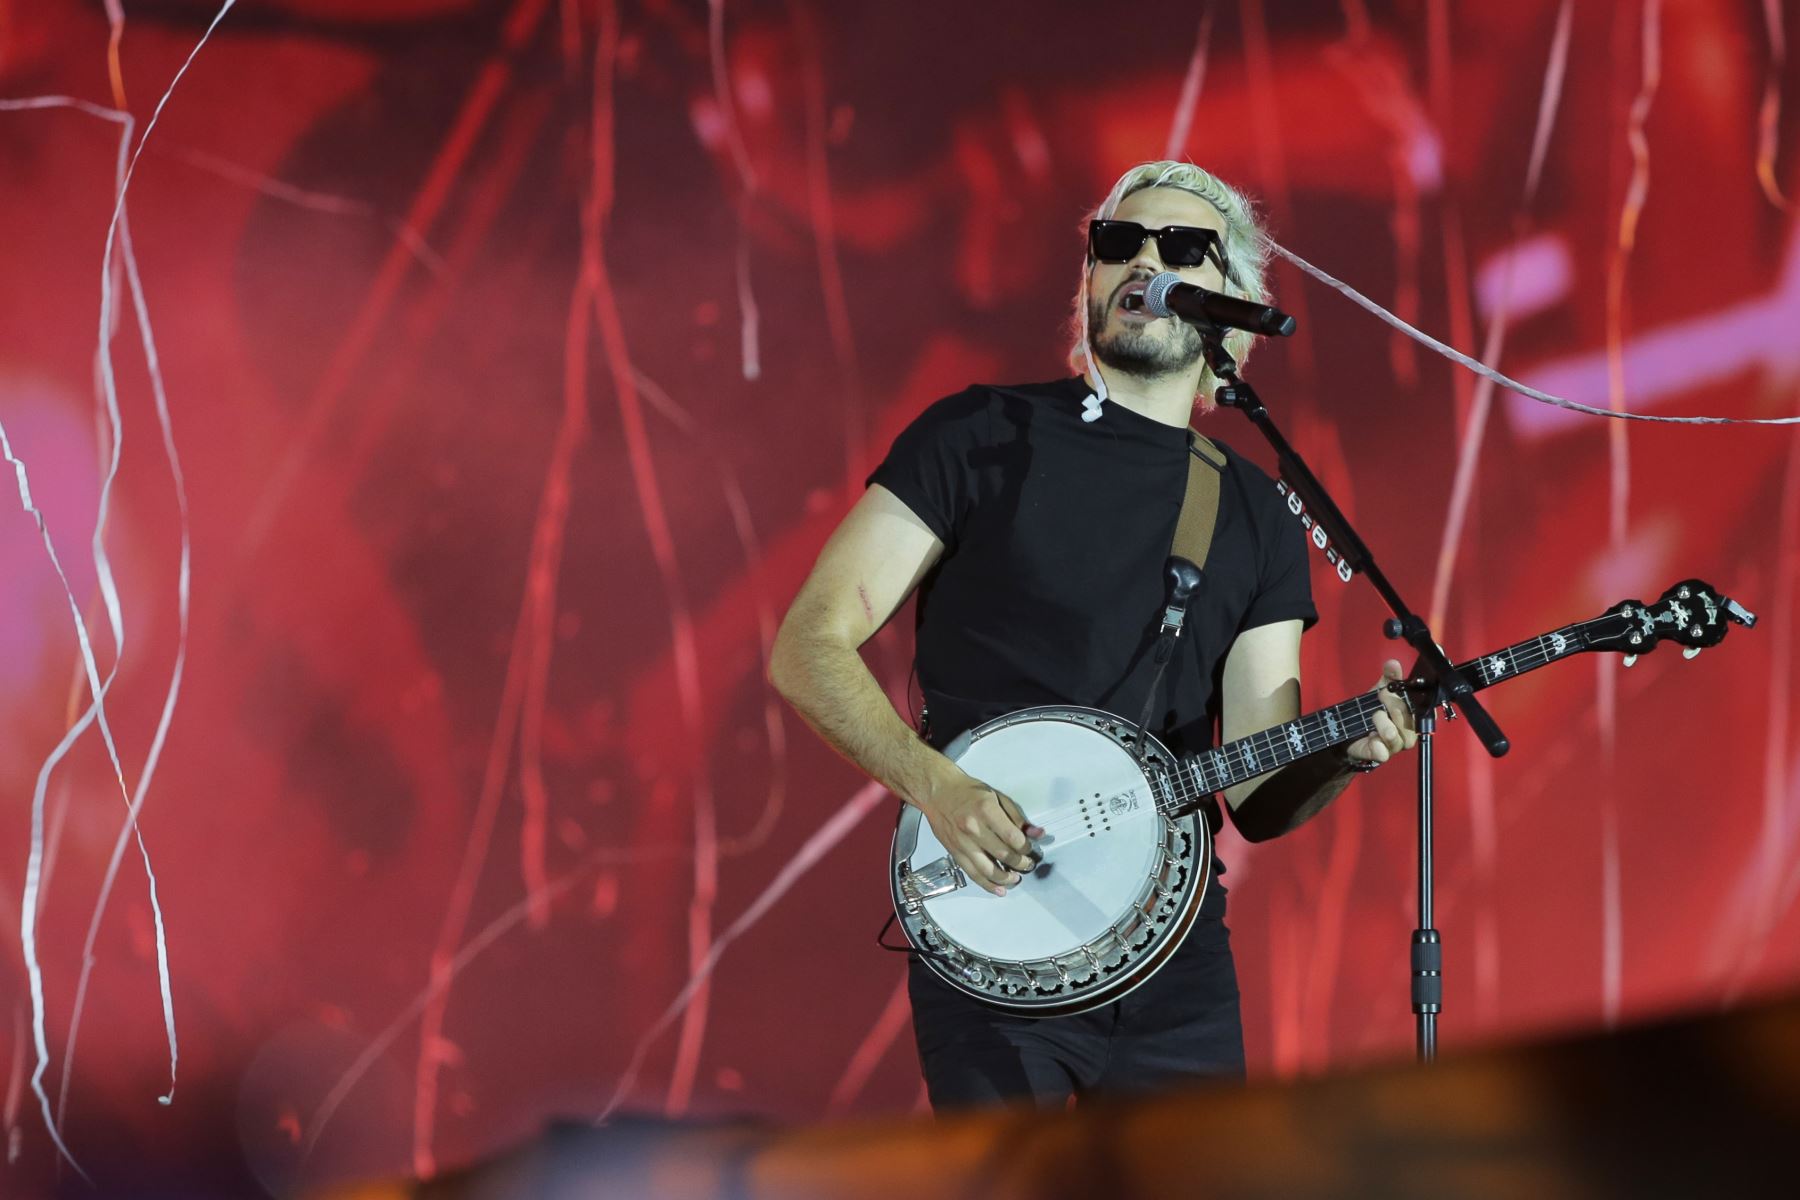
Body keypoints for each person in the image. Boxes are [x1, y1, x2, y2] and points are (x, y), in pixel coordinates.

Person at [768, 160, 1418, 1110]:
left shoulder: (1259, 514)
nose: (1140, 262)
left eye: (1179, 249)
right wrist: (934, 786)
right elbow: (809, 643)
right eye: (1117, 244)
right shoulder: (981, 435)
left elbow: (1257, 793)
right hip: (997, 927)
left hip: (1177, 964)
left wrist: (1344, 753)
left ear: (1233, 298)